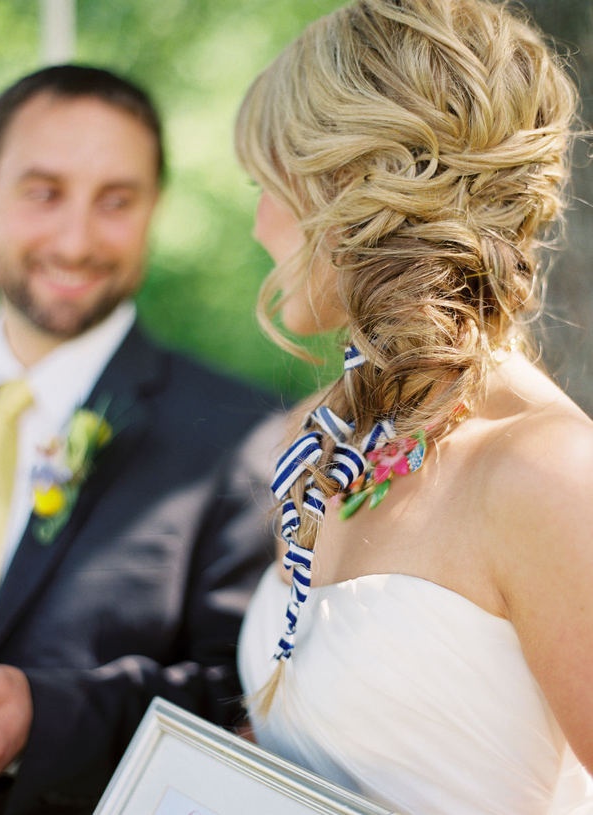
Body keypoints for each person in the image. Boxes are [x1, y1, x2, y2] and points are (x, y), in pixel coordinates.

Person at [234, 1, 593, 813]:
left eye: (267, 184)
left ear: (350, 189)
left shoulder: (548, 472)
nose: (258, 223)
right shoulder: (323, 439)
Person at [0, 64, 281, 815]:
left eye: (116, 201)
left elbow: (244, 702)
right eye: (43, 192)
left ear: (155, 207)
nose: (76, 239)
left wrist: (40, 717)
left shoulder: (239, 436)